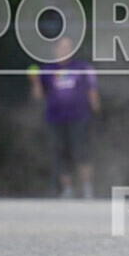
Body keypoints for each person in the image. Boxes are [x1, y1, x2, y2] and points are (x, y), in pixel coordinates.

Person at [28, 36, 100, 199]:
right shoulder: (46, 70)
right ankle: (68, 189)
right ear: (55, 50)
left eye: (68, 47)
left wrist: (96, 110)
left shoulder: (82, 67)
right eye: (62, 47)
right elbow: (38, 96)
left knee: (82, 152)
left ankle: (87, 188)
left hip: (80, 117)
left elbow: (92, 90)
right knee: (60, 154)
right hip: (55, 119)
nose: (65, 50)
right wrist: (35, 81)